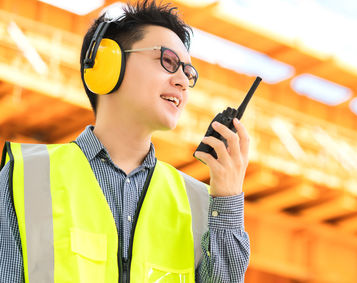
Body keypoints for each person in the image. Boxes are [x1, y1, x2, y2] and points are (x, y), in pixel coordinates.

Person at [0, 0, 250, 282]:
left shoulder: (203, 204)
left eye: (189, 73)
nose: (182, 80)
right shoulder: (24, 178)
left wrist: (228, 199)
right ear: (108, 64)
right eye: (168, 61)